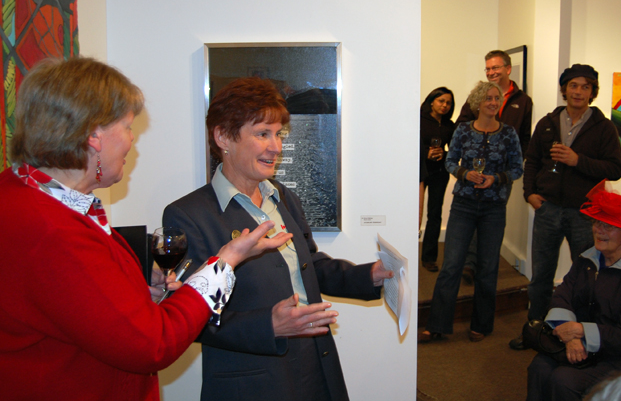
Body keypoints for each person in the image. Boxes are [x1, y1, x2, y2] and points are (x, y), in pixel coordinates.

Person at [0, 57, 302, 401]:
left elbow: (74, 306)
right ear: (94, 135)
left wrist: (134, 295)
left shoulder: (26, 197)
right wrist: (224, 263)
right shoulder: (50, 231)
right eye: (127, 127)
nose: (132, 142)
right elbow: (152, 345)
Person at [163, 77, 393, 401]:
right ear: (223, 137)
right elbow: (189, 319)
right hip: (252, 382)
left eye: (278, 134)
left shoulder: (282, 197)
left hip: (315, 365)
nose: (276, 147)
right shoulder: (189, 216)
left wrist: (366, 275)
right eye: (262, 134)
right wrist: (268, 326)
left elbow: (308, 265)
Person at [510, 64, 621, 350]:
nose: (579, 91)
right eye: (574, 85)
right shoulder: (548, 122)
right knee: (541, 275)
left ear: (592, 92)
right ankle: (535, 328)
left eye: (586, 86)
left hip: (586, 213)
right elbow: (533, 160)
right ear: (565, 89)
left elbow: (615, 169)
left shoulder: (604, 126)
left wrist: (577, 160)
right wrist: (530, 193)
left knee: (586, 275)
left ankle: (580, 335)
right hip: (548, 209)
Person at [419, 81, 523, 343]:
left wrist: (496, 178)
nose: (492, 102)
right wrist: (465, 173)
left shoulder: (509, 133)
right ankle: (438, 324)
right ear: (477, 102)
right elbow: (451, 161)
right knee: (451, 266)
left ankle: (481, 324)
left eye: (496, 98)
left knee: (487, 268)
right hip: (463, 205)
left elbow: (517, 169)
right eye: (487, 98)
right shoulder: (463, 130)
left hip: (494, 208)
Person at [526, 182, 621, 401]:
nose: (598, 230)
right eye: (597, 223)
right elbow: (562, 295)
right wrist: (570, 336)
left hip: (613, 357)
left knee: (564, 381)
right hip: (574, 344)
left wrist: (581, 331)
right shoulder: (587, 259)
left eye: (608, 226)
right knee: (539, 368)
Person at [457, 50, 533, 284]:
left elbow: (524, 138)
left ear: (508, 69)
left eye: (495, 68)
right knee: (472, 214)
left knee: (493, 218)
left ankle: (485, 265)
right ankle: (469, 263)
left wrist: (513, 166)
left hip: (502, 174)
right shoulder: (479, 96)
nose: (491, 72)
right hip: (475, 170)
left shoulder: (523, 101)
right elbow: (461, 124)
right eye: (488, 69)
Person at [419, 86, 456, 272]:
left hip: (440, 172)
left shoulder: (450, 125)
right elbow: (407, 144)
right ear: (431, 101)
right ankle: (405, 249)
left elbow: (456, 151)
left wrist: (445, 153)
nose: (445, 105)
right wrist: (426, 153)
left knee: (434, 214)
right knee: (412, 213)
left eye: (448, 103)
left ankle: (429, 258)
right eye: (441, 101)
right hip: (418, 171)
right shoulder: (417, 119)